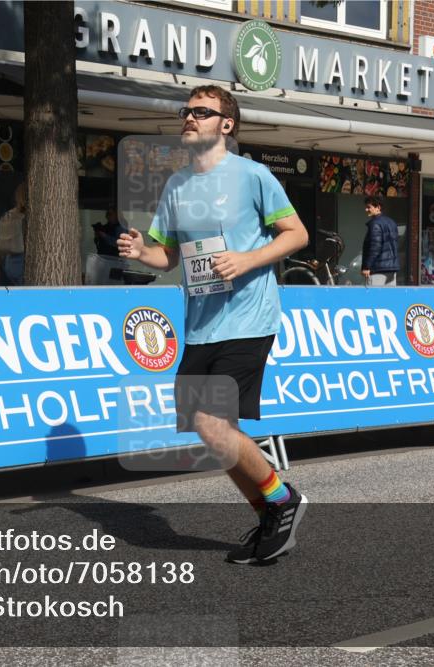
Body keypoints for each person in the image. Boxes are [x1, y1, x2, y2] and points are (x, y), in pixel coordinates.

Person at [117, 85, 310, 565]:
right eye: (187, 110)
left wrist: (247, 260)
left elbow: (297, 234)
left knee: (213, 422)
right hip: (200, 323)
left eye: (202, 112)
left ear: (226, 124)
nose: (190, 118)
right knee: (209, 433)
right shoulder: (177, 185)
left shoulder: (253, 176)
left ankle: (284, 499)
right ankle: (267, 512)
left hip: (249, 316)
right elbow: (168, 255)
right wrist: (144, 252)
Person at [360, 194, 399, 286]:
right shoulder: (392, 222)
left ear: (378, 207)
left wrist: (366, 266)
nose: (366, 210)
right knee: (388, 299)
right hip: (392, 269)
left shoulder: (375, 224)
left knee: (373, 298)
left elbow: (375, 247)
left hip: (378, 269)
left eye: (369, 207)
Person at [0, 182, 26, 286]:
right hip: (23, 262)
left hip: (9, 263)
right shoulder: (28, 217)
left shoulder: (7, 215)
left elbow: (0, 244)